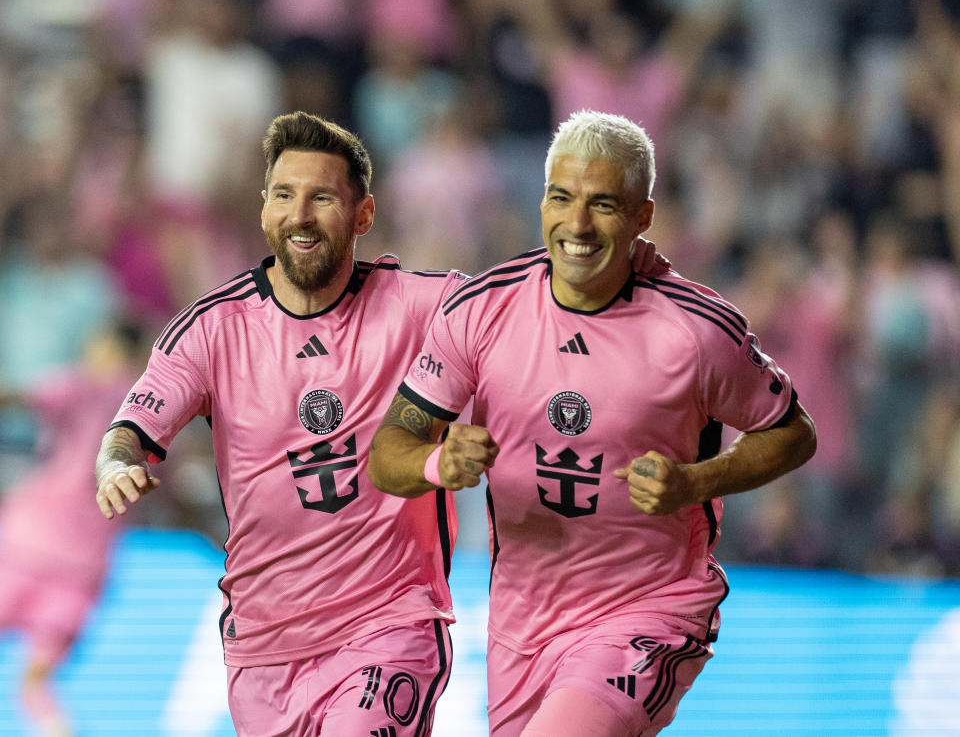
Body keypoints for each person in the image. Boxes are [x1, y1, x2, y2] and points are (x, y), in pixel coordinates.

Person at [92, 108, 671, 735]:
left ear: (363, 215)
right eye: (284, 195)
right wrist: (117, 464)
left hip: (390, 628)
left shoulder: (423, 305)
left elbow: (532, 302)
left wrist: (621, 269)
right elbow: (132, 428)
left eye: (322, 198)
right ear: (264, 210)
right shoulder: (212, 330)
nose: (301, 215)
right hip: (262, 649)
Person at [367, 110, 817, 737]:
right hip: (520, 626)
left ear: (643, 217)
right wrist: (435, 463)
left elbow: (794, 432)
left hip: (650, 610)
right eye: (561, 198)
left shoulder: (697, 331)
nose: (576, 225)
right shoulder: (480, 310)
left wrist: (695, 482)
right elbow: (387, 453)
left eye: (603, 204)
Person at [0, 321, 145, 737]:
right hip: (84, 569)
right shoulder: (155, 411)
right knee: (36, 686)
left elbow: (21, 396)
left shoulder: (81, 384)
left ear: (106, 346)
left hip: (28, 544)